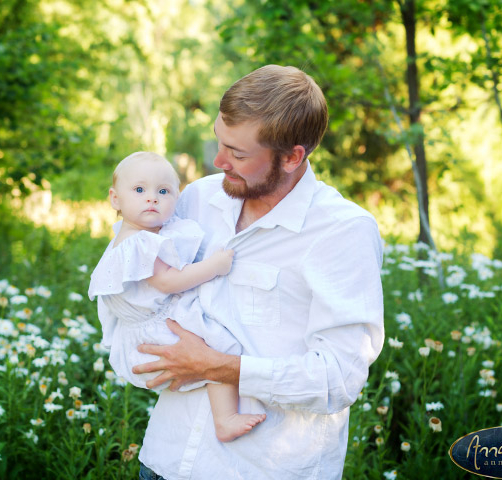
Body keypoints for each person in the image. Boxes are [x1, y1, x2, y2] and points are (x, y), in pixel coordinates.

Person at [100, 65, 385, 479]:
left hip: (261, 469)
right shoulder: (197, 199)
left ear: (292, 157)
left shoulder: (342, 231)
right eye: (219, 142)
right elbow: (129, 274)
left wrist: (217, 366)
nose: (217, 161)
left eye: (236, 153)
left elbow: (337, 378)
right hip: (166, 458)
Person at [88, 152, 266, 443]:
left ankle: (220, 417)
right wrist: (214, 266)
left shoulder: (127, 235)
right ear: (115, 199)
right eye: (139, 190)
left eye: (163, 191)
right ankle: (225, 419)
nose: (152, 198)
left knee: (215, 346)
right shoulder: (139, 243)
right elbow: (170, 281)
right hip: (160, 328)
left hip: (144, 330)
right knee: (221, 345)